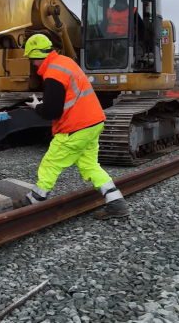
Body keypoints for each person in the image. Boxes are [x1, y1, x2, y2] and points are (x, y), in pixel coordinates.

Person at [21, 34, 130, 219]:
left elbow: (52, 111)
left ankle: (32, 203)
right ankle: (117, 203)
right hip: (93, 122)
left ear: (38, 55)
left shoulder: (53, 74)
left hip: (76, 126)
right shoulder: (65, 62)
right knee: (90, 166)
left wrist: (37, 107)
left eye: (32, 59)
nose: (33, 64)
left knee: (51, 163)